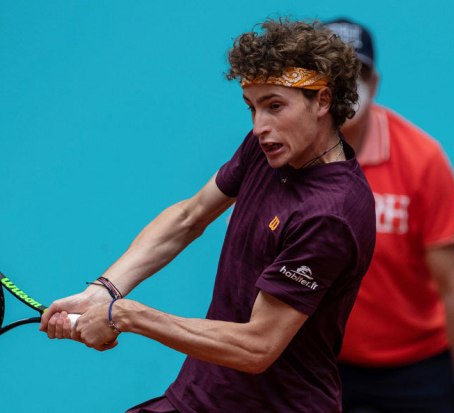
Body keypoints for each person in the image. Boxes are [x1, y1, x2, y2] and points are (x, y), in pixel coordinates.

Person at [41, 18, 376, 412]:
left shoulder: (329, 216)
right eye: (252, 107)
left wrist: (126, 315)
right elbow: (190, 216)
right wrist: (104, 291)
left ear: (321, 101)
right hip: (200, 396)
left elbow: (257, 346)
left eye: (274, 106)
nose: (260, 126)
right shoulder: (268, 149)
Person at [325, 18, 454, 413]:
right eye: (331, 71)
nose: (345, 85)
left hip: (418, 368)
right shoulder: (286, 157)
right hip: (323, 362)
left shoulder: (421, 159)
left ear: (374, 84)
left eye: (355, 73)